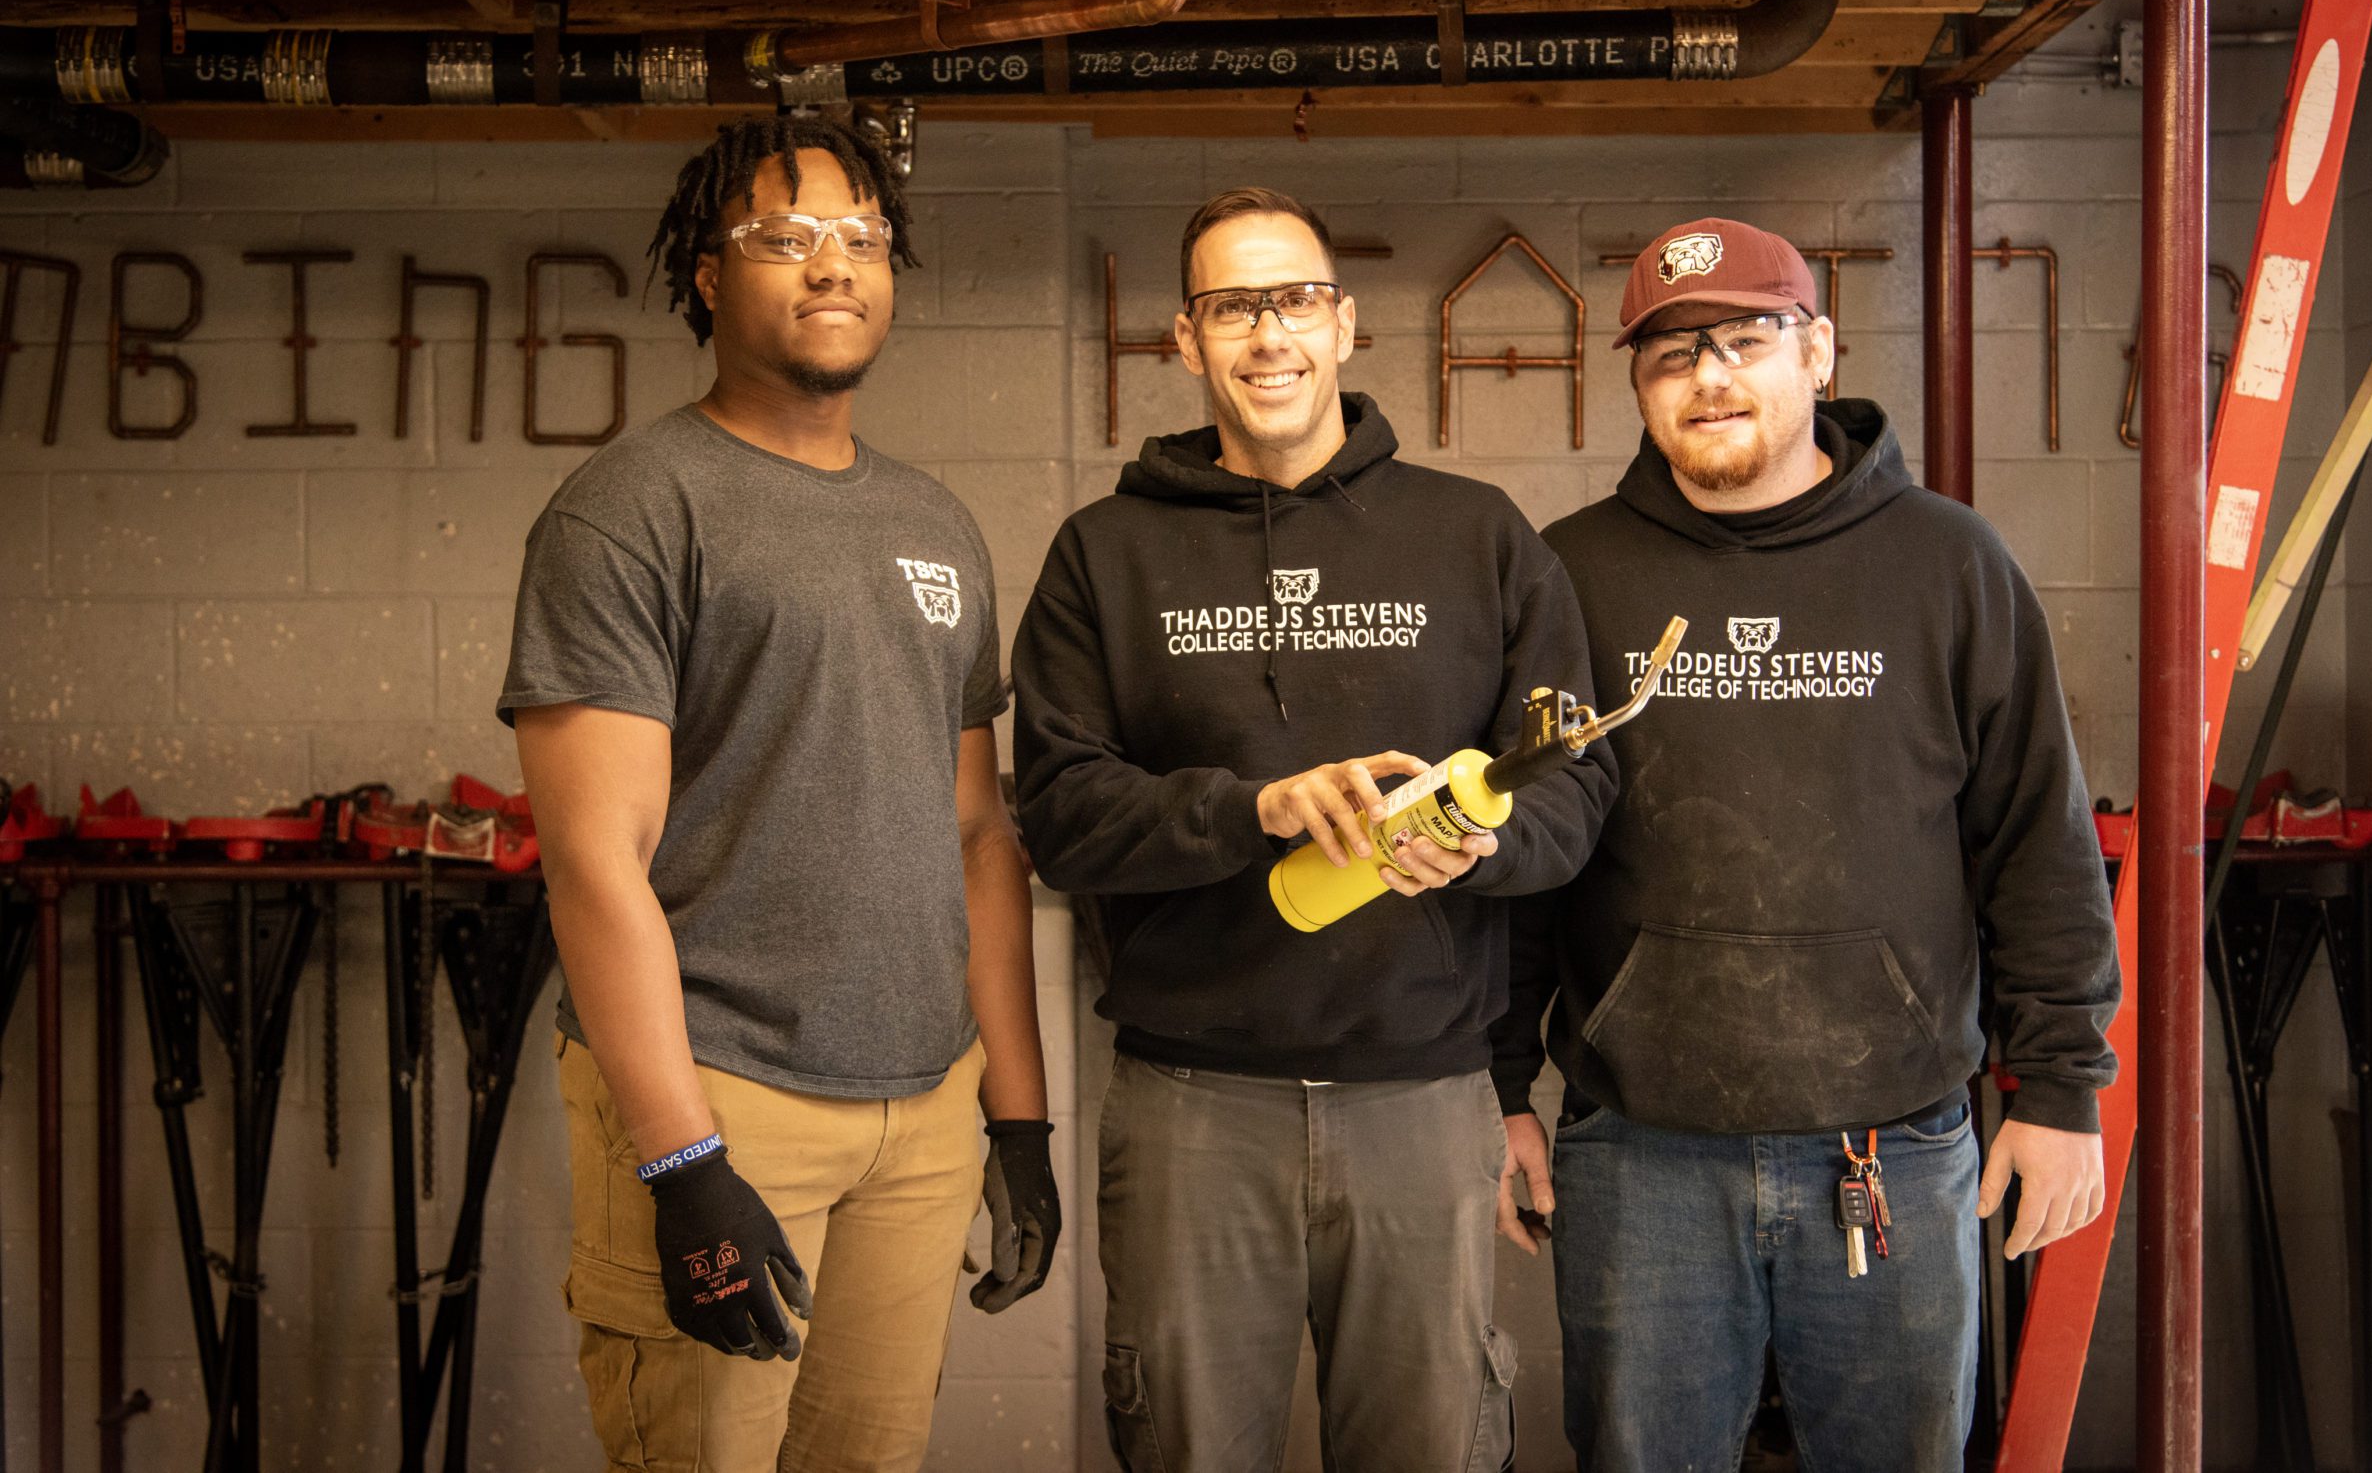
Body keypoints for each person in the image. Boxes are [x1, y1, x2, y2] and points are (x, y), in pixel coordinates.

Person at [1494, 217, 2121, 1472]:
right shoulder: (1569, 574)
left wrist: (2057, 1087)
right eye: (1671, 355)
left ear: (1818, 352)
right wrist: (1499, 1082)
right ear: (1637, 385)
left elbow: (2035, 838)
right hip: (1640, 1148)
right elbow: (1521, 860)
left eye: (1743, 338)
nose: (1709, 375)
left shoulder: (1949, 562)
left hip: (1891, 1145)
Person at [1011, 187, 1612, 1472]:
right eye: (1232, 305)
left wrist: (1490, 845)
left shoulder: (1477, 536)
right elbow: (1058, 814)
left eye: (1293, 298)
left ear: (1342, 323)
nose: (1267, 332)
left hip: (1424, 1101)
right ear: (1185, 339)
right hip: (1190, 1103)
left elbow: (1573, 782)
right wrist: (1250, 808)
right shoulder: (1103, 554)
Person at [500, 113, 1059, 1473]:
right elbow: (594, 862)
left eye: (863, 238)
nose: (833, 266)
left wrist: (1020, 1117)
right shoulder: (632, 509)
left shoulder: (936, 525)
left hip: (921, 1111)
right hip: (723, 1094)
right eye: (785, 236)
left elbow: (978, 834)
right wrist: (683, 1166)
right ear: (706, 273)